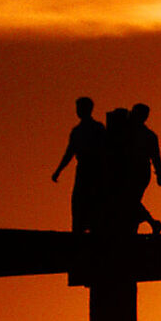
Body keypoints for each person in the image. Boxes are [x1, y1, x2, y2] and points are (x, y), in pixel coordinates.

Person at [50, 96, 105, 233]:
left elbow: (105, 149)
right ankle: (79, 228)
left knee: (92, 199)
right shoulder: (77, 131)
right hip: (83, 168)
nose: (78, 111)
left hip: (95, 169)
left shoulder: (97, 128)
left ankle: (93, 227)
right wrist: (59, 170)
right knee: (79, 199)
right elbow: (70, 152)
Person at [129, 102, 161, 235]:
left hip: (139, 172)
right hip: (136, 172)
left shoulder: (146, 135)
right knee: (131, 201)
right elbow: (156, 157)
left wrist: (160, 175)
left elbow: (155, 156)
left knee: (130, 200)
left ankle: (151, 222)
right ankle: (148, 224)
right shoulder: (144, 134)